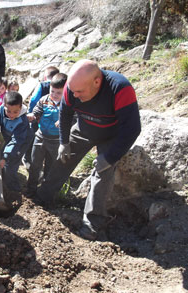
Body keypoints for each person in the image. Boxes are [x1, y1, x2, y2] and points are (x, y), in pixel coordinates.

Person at [35, 59, 141, 240]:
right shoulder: (72, 87)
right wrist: (64, 142)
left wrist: (109, 157)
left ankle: (92, 223)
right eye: (72, 91)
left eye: (79, 92)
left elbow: (132, 128)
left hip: (111, 135)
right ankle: (43, 199)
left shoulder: (120, 89)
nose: (74, 95)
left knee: (103, 173)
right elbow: (65, 113)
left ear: (97, 82)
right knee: (63, 159)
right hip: (84, 128)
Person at [26, 73, 67, 197]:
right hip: (40, 136)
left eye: (58, 93)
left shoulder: (67, 105)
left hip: (56, 140)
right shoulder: (44, 99)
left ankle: (45, 191)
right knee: (35, 164)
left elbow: (74, 119)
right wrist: (33, 115)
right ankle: (31, 189)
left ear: (65, 92)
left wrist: (63, 121)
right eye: (52, 91)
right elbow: (37, 110)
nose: (54, 95)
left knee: (51, 166)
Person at [0, 91, 34, 192]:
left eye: (15, 112)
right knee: (3, 159)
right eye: (9, 111)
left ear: (20, 108)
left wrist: (5, 158)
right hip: (9, 137)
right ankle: (0, 180)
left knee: (10, 165)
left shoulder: (22, 121)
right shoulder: (1, 110)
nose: (11, 115)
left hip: (22, 141)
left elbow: (16, 141)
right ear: (4, 106)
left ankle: (14, 190)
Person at [23, 66, 60, 169]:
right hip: (49, 128)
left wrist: (32, 114)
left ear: (45, 77)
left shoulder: (42, 85)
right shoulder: (60, 93)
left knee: (32, 140)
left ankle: (27, 159)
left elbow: (34, 100)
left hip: (38, 120)